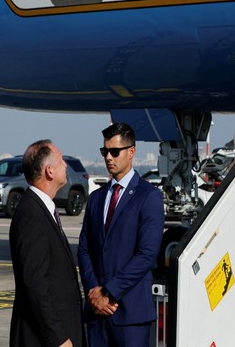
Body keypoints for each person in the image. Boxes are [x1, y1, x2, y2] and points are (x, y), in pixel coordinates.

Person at [77, 122, 164, 346]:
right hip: (97, 314)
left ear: (131, 152)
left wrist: (109, 292)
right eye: (104, 151)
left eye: (114, 152)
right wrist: (93, 292)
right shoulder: (96, 198)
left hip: (130, 315)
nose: (108, 157)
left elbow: (147, 254)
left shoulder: (149, 196)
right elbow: (85, 249)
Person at [9, 140, 86, 347]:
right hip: (45, 339)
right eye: (61, 161)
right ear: (49, 171)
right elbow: (36, 283)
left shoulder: (41, 209)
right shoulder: (32, 215)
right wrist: (58, 337)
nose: (66, 165)